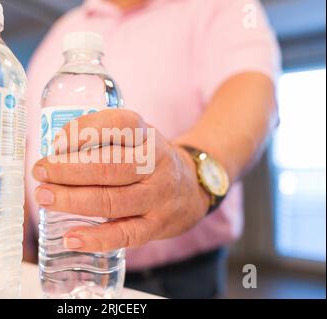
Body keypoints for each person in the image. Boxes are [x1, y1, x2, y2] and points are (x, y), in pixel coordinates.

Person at [24, 0, 280, 298]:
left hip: (175, 281)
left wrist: (192, 171)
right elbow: (31, 145)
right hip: (53, 269)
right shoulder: (63, 29)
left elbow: (253, 93)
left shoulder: (222, 7)